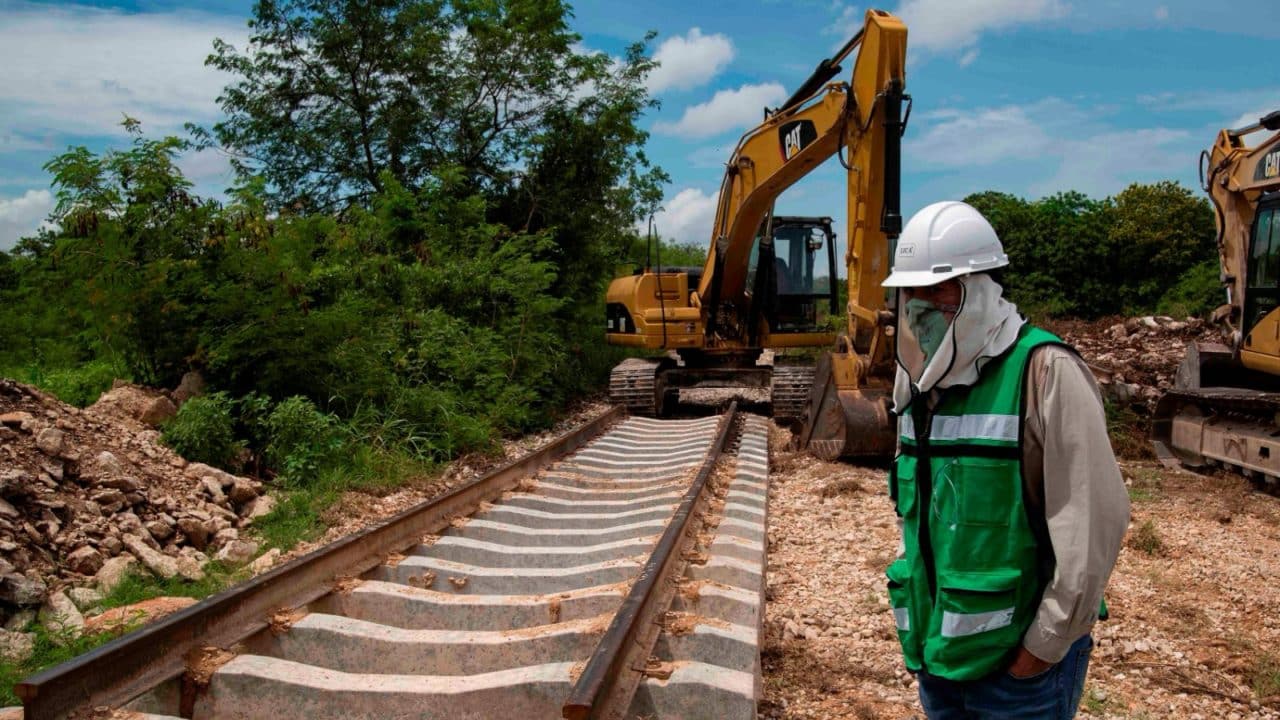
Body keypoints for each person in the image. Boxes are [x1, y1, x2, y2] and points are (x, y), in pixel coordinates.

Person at [880, 201, 1129, 720]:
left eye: (939, 290)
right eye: (911, 292)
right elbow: (921, 518)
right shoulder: (916, 386)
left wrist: (1041, 649)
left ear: (980, 289)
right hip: (939, 661)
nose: (921, 306)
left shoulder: (1045, 371)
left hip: (1020, 679)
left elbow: (1090, 531)